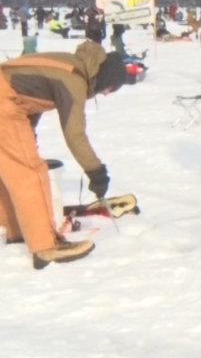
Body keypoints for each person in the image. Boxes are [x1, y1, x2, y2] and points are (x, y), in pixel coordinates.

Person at [0, 41, 139, 269]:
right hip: (3, 103)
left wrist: (29, 132)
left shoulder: (69, 65)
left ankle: (17, 231)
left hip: (7, 99)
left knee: (11, 171)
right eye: (111, 88)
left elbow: (27, 94)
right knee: (31, 173)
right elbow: (74, 134)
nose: (106, 94)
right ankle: (45, 246)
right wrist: (96, 171)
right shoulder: (73, 78)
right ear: (105, 77)